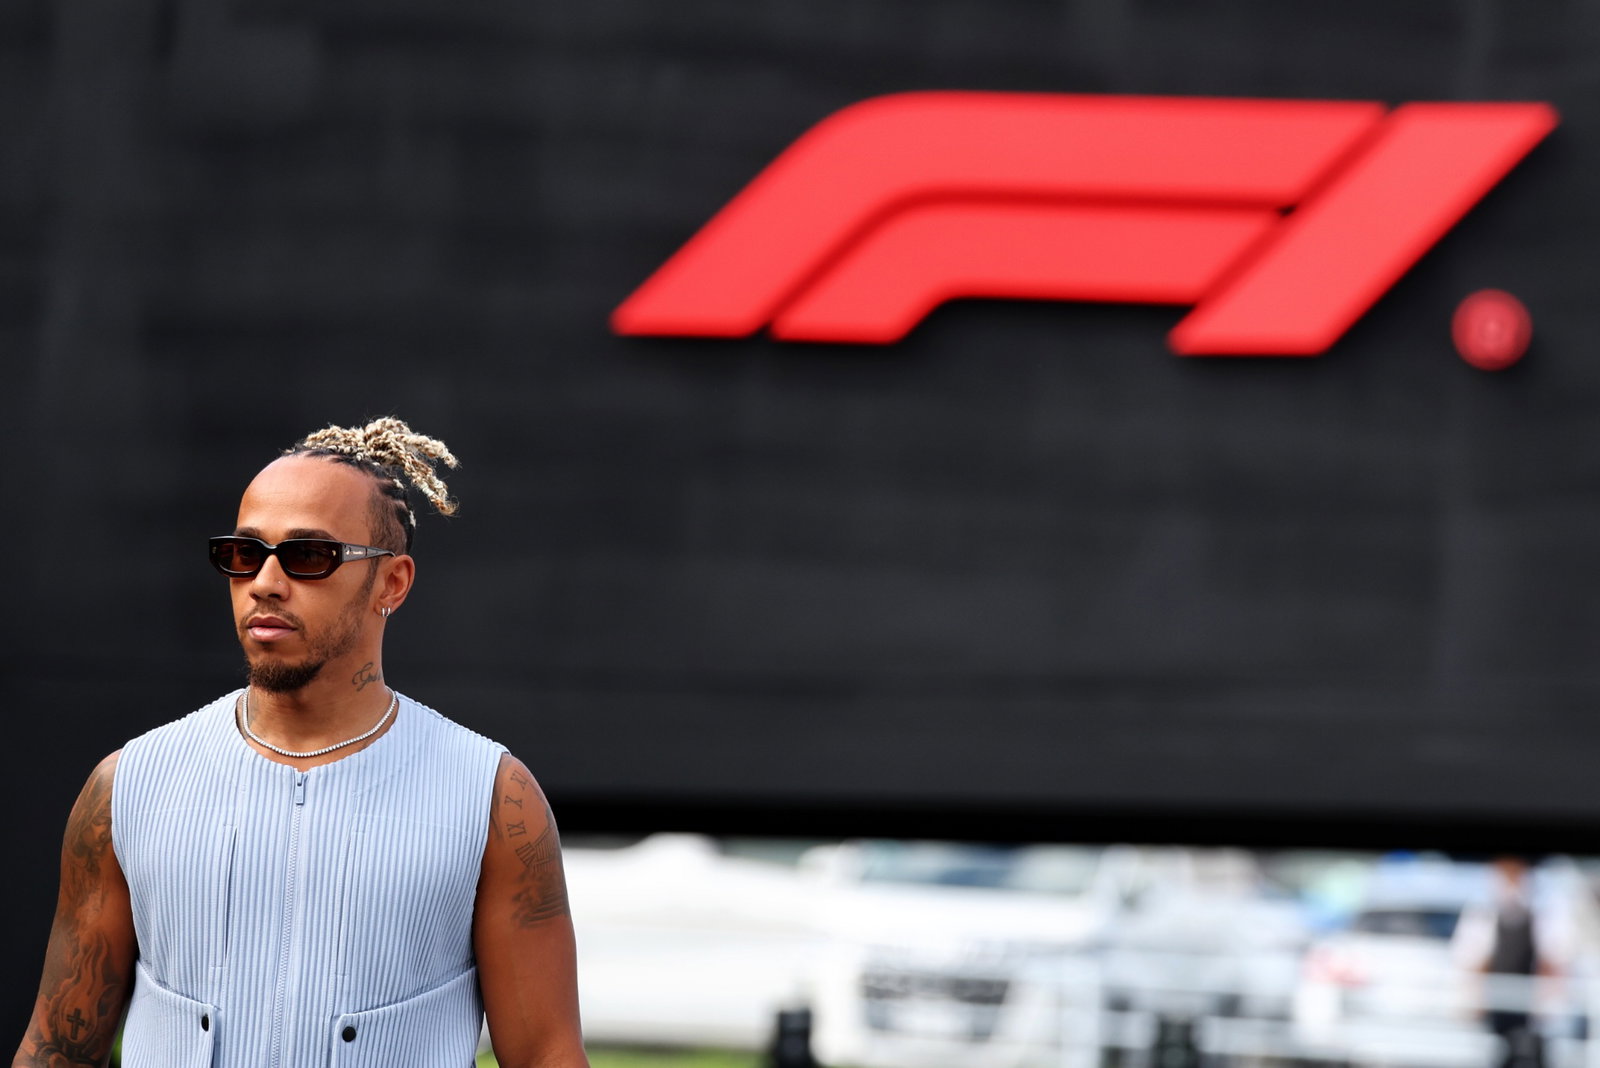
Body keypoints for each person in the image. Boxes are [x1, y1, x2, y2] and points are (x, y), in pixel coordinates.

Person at [14, 417, 589, 1068]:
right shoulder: (129, 786)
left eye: (308, 556)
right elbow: (57, 1048)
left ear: (392, 583)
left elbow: (547, 1055)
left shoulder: (490, 797)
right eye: (243, 553)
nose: (265, 581)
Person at [1451, 855, 1571, 1068]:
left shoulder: (1545, 910)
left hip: (1533, 1013)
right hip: (1494, 1010)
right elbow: (1469, 959)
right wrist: (1475, 999)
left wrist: (1546, 1002)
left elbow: (1556, 959)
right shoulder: (1483, 911)